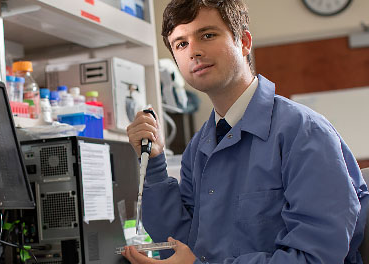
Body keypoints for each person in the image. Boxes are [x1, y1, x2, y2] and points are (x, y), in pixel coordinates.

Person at [123, 0, 369, 263]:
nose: (193, 51)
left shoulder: (304, 132)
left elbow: (315, 258)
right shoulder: (199, 147)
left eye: (207, 35)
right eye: (180, 44)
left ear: (244, 42)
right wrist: (155, 163)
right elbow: (181, 244)